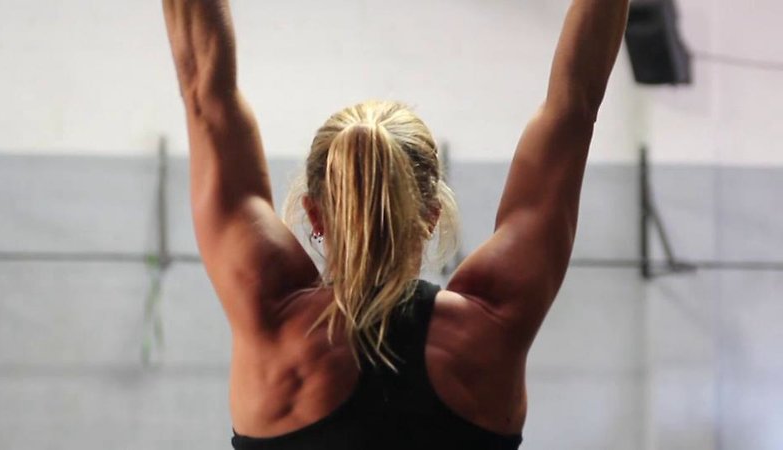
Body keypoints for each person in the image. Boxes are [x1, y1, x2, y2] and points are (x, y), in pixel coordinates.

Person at [162, 0, 628, 448]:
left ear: (314, 214)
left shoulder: (271, 316)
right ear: (431, 216)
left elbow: (204, 92)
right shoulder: (491, 324)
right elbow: (574, 109)